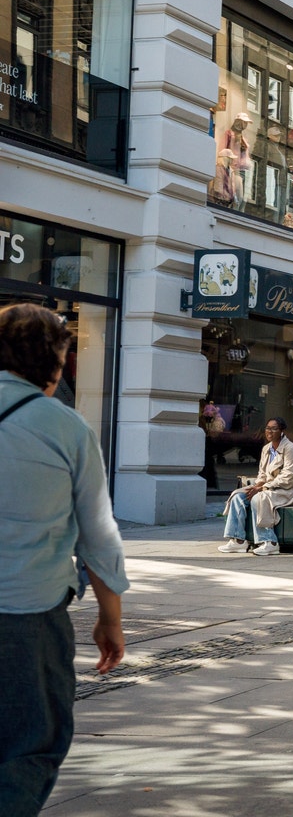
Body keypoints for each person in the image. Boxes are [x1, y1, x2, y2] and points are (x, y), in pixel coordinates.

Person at [0, 303, 128, 815]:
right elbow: (97, 535)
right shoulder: (67, 429)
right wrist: (109, 619)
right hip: (26, 617)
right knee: (30, 744)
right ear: (55, 361)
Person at [217, 417, 293, 556]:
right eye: (267, 428)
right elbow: (263, 474)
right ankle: (238, 541)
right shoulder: (266, 449)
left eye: (274, 429)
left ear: (282, 431)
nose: (269, 431)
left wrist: (262, 488)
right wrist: (257, 485)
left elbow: (288, 478)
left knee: (258, 499)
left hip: (289, 490)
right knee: (238, 496)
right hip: (268, 487)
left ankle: (270, 542)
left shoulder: (290, 449)